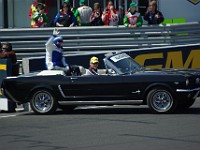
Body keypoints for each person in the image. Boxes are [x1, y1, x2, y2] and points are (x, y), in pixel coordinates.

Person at [0, 42, 18, 112]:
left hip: (11, 77)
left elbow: (3, 55)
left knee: (10, 92)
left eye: (4, 48)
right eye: (2, 48)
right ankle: (4, 107)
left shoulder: (11, 54)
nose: (3, 49)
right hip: (4, 76)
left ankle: (11, 107)